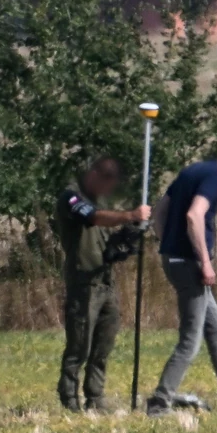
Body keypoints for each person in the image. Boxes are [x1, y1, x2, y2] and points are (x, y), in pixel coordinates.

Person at [146, 146, 217, 415]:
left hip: (175, 261)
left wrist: (167, 244)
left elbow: (159, 212)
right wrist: (206, 263)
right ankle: (160, 402)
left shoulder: (193, 171)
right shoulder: (215, 177)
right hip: (191, 265)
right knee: (191, 339)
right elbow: (194, 215)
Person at [54, 157, 151, 412]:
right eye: (108, 184)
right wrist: (129, 214)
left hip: (106, 281)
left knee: (104, 344)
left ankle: (95, 398)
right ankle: (69, 399)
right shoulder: (72, 198)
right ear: (95, 175)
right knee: (80, 345)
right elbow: (93, 218)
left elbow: (107, 242)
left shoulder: (102, 203)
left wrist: (129, 236)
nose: (109, 192)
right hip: (84, 282)